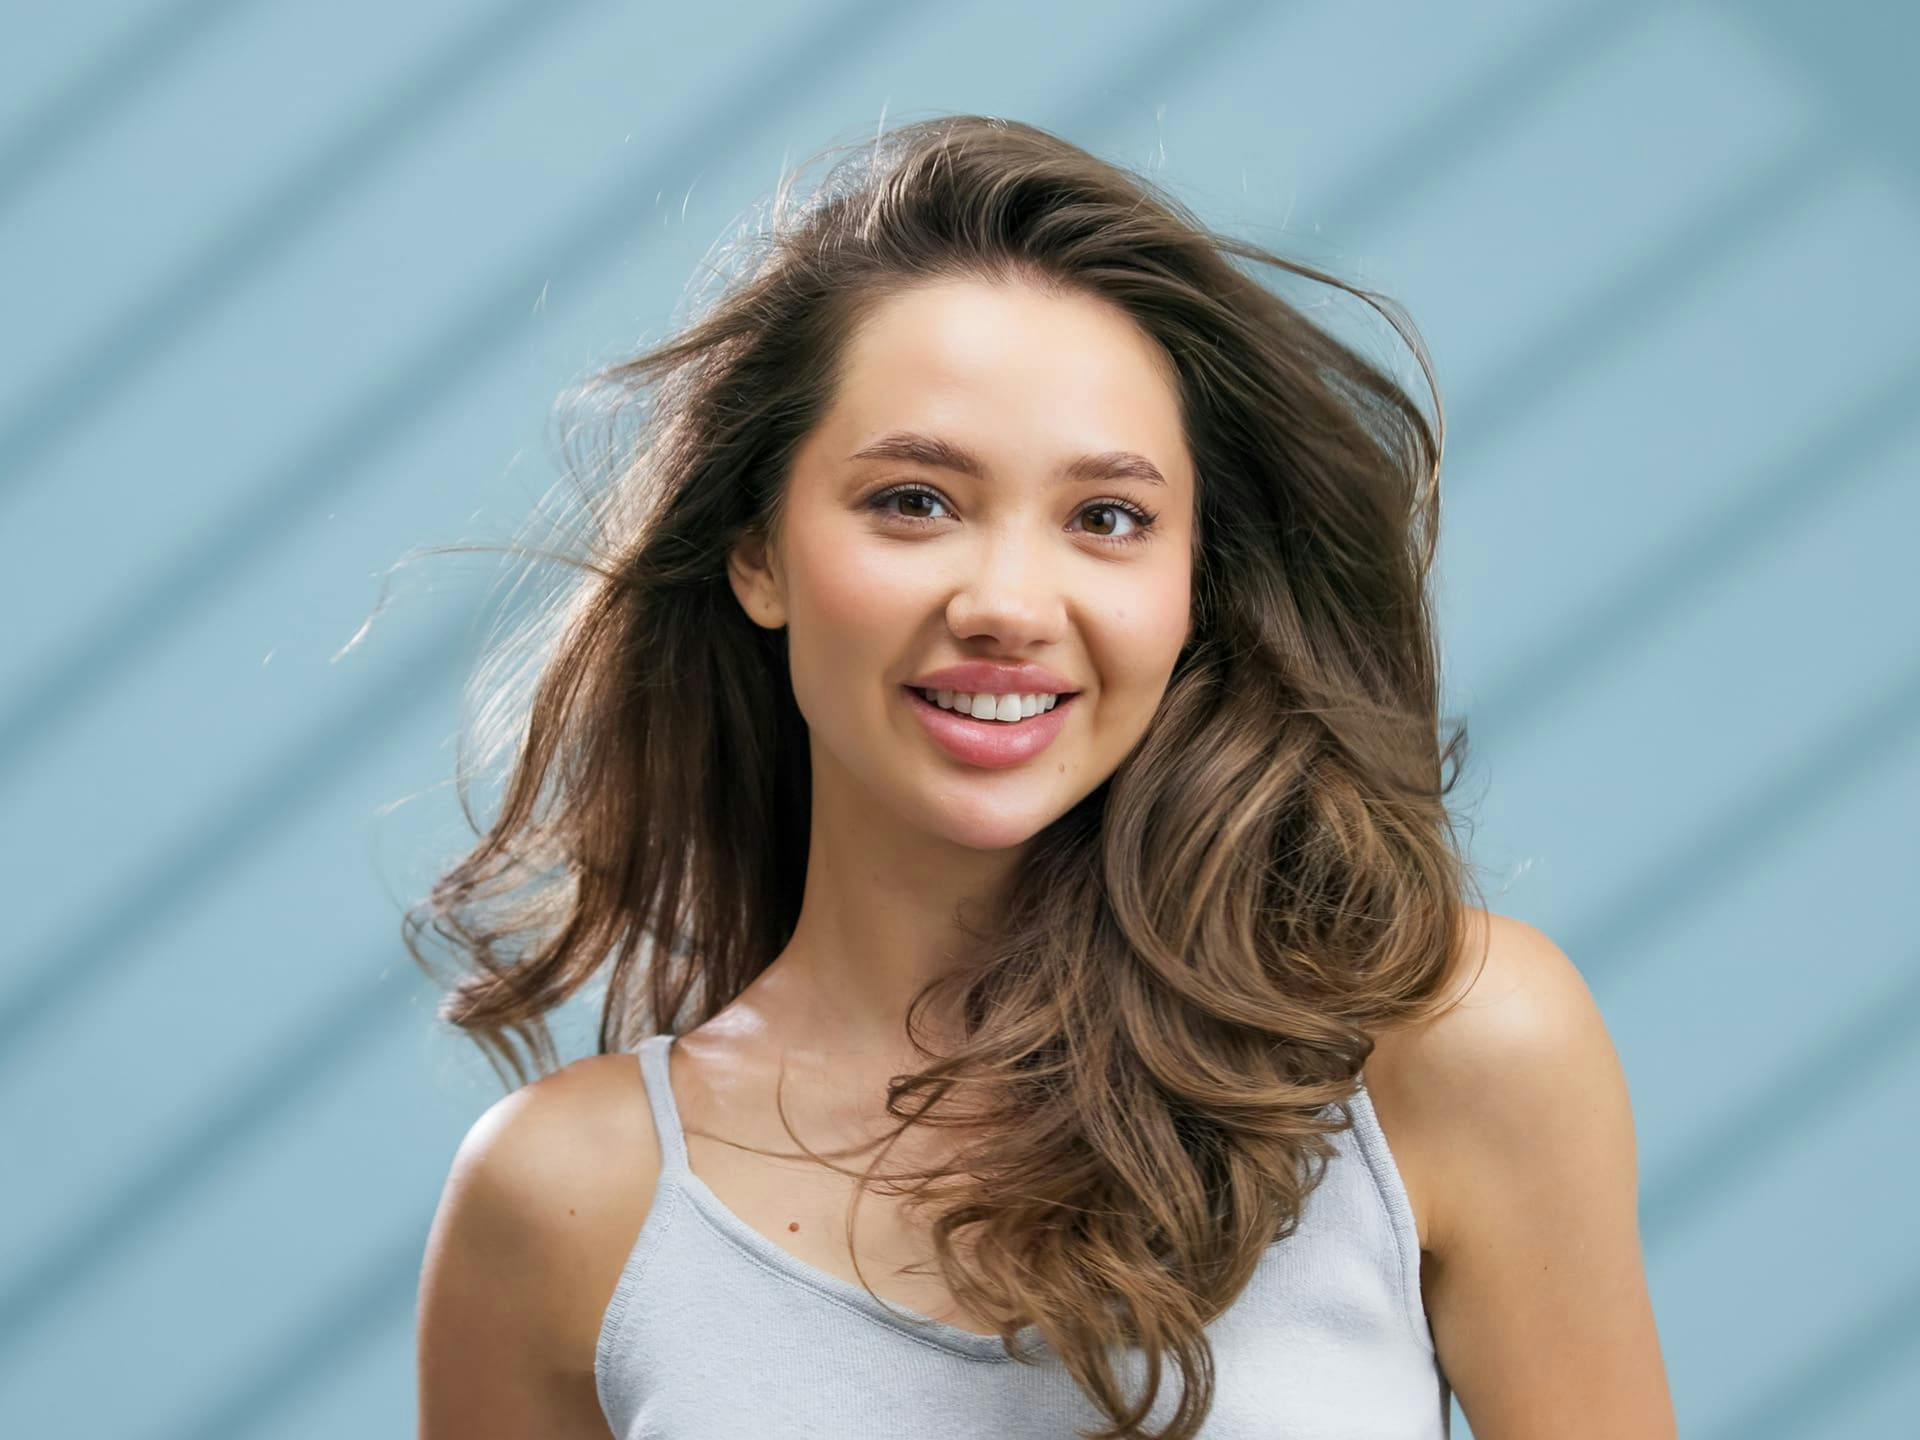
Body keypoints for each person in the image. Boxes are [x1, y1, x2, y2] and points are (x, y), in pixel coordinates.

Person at [412, 114, 1675, 1439]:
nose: (1009, 603)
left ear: (1195, 588)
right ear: (759, 554)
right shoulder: (564, 1206)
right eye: (913, 500)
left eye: (1107, 519)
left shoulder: (1445, 1052)